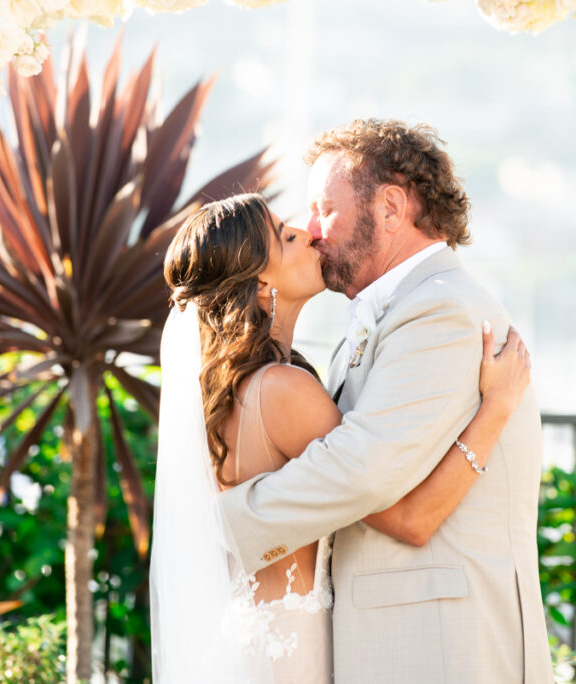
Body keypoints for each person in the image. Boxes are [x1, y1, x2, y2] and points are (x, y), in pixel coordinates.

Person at [215, 119, 556, 683]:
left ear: (393, 208)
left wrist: (223, 523)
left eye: (325, 207)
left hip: (442, 647)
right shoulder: (383, 318)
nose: (312, 229)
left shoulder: (440, 311)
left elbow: (363, 470)